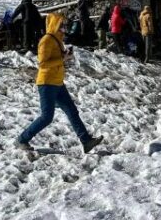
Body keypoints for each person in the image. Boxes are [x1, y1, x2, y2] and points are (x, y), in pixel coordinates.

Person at [17, 14, 104, 154]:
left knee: (72, 111)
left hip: (57, 82)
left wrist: (65, 55)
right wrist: (63, 58)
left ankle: (86, 141)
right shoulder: (46, 40)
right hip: (46, 83)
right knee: (47, 117)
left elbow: (57, 59)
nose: (64, 27)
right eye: (61, 25)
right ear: (54, 25)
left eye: (64, 25)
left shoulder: (58, 40)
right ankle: (22, 139)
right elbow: (43, 63)